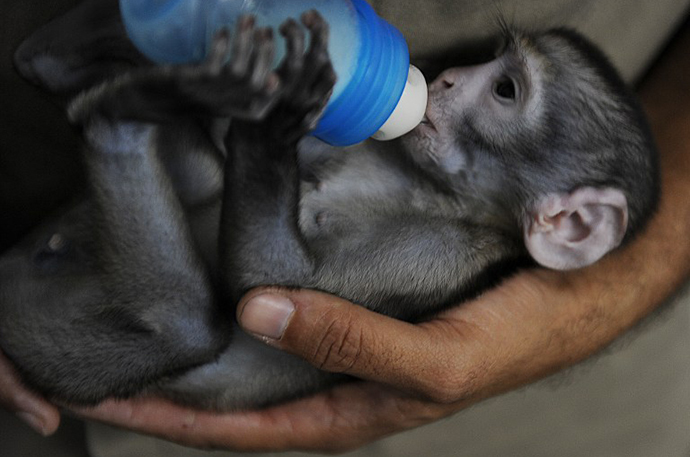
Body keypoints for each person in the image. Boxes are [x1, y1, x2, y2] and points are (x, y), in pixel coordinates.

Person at [1, 0, 689, 456]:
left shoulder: (446, 257)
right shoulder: (410, 150)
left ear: (565, 221)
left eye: (505, 92)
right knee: (207, 140)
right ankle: (93, 66)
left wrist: (268, 143)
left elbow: (272, 291)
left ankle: (117, 128)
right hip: (109, 238)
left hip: (102, 334)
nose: (453, 78)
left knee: (189, 327)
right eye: (493, 64)